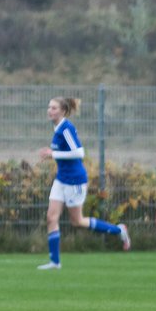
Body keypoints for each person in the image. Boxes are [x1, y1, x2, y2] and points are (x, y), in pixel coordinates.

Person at [36, 97, 131, 270]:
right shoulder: (57, 128)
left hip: (75, 180)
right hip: (61, 179)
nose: (50, 110)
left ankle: (119, 230)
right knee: (51, 218)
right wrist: (52, 154)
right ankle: (55, 262)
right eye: (49, 107)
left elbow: (79, 153)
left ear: (63, 111)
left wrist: (53, 155)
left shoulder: (66, 128)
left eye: (54, 108)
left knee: (77, 221)